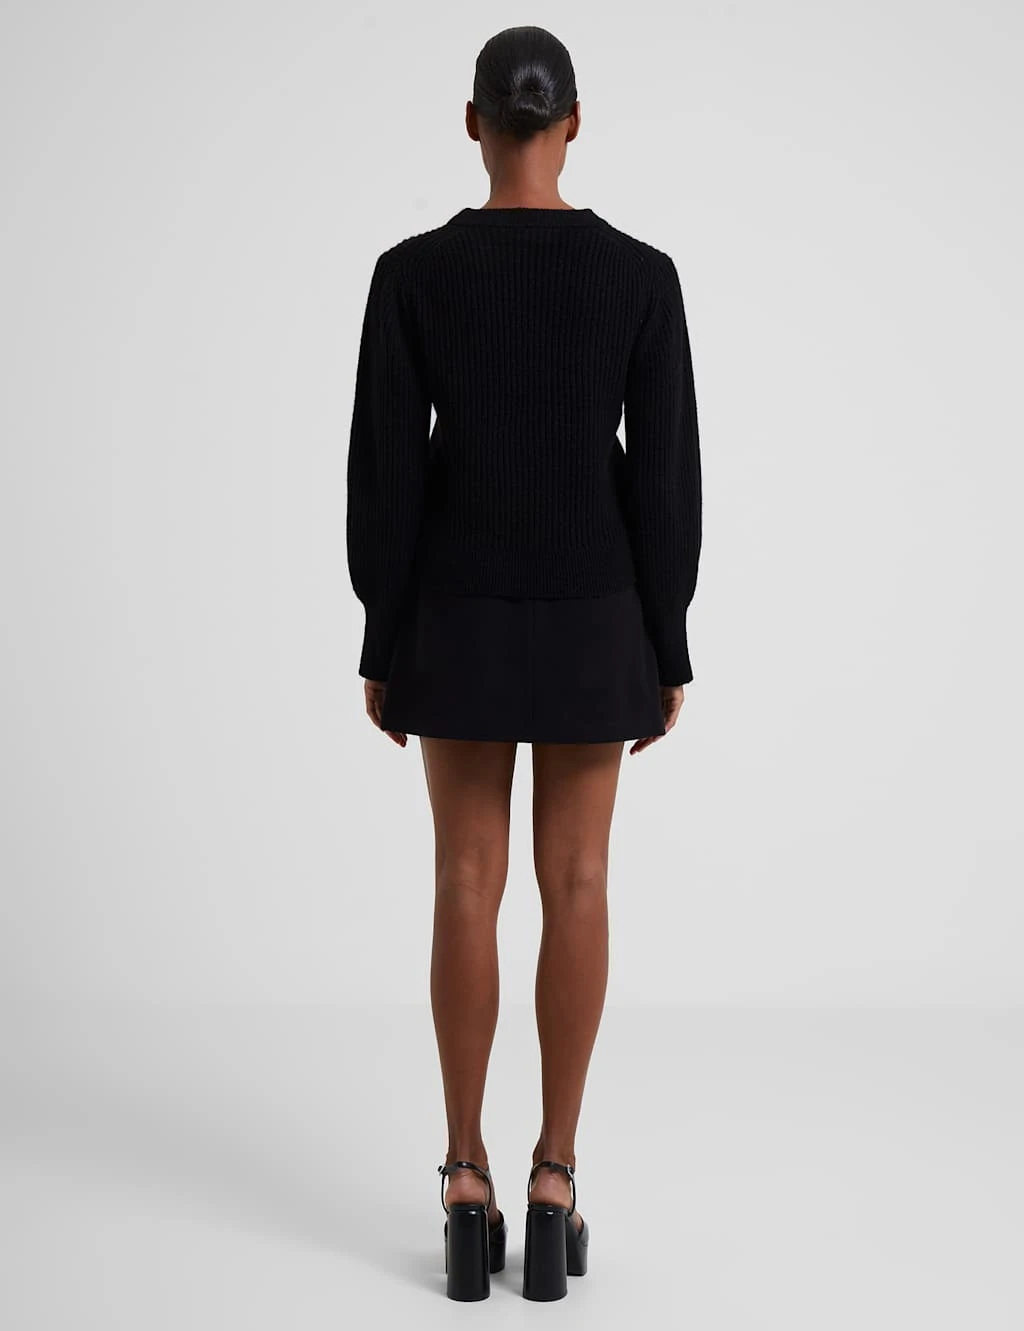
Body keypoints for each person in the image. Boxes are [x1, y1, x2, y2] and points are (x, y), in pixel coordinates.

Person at [345, 24, 702, 1302]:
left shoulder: (412, 275)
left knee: (464, 876)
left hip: (456, 608)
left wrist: (383, 633)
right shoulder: (639, 277)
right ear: (574, 123)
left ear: (472, 122)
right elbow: (664, 478)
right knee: (580, 876)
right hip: (597, 607)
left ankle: (464, 1178)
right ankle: (555, 1177)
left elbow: (385, 472)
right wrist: (667, 637)